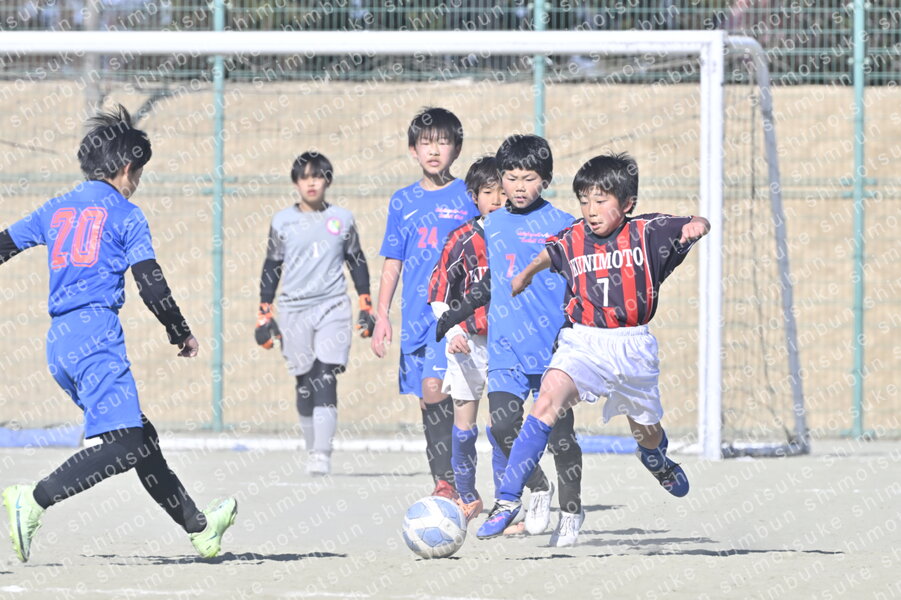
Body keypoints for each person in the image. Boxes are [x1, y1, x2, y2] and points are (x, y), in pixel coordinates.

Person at [0, 105, 237, 562]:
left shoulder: (56, 207)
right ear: (128, 167)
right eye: (140, 172)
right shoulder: (127, 214)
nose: (139, 181)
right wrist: (179, 331)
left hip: (60, 343)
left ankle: (199, 528)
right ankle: (33, 499)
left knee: (141, 437)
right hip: (96, 336)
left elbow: (2, 246)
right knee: (126, 444)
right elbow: (151, 282)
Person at [476, 152, 710, 545]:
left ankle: (654, 457)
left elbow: (695, 222)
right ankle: (508, 498)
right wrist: (525, 275)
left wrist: (698, 225)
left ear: (627, 203)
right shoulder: (572, 236)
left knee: (646, 431)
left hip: (631, 346)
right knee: (547, 400)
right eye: (584, 201)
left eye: (601, 201)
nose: (591, 210)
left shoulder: (648, 232)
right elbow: (550, 253)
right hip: (583, 340)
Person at [437, 135, 584, 544]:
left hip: (552, 350)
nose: (519, 187)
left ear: (546, 180)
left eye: (529, 178)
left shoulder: (564, 225)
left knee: (561, 438)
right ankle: (537, 486)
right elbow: (491, 279)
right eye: (512, 178)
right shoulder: (494, 224)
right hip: (506, 348)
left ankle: (572, 510)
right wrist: (454, 316)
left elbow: (579, 282)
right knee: (502, 428)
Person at [370, 107, 479, 498]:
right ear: (413, 150)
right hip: (416, 316)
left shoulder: (469, 196)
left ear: (457, 149)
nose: (434, 151)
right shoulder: (402, 201)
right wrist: (382, 315)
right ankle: (448, 481)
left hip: (454, 314)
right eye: (426, 143)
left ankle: (450, 484)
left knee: (437, 390)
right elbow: (393, 261)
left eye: (443, 142)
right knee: (427, 399)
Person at [255, 151, 374, 476]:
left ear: (327, 181)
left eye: (318, 176)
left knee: (325, 374)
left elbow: (356, 259)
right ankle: (313, 447)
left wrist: (366, 304)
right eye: (305, 177)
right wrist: (264, 312)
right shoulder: (282, 221)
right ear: (296, 182)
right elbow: (272, 265)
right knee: (304, 381)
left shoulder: (342, 218)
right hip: (293, 309)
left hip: (333, 305)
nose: (311, 183)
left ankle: (322, 453)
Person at [426, 156, 505, 522]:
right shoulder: (462, 238)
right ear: (474, 197)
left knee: (504, 425)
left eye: (503, 191)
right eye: (489, 192)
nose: (497, 199)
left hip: (508, 343)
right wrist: (454, 331)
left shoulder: (520, 237)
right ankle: (468, 496)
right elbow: (439, 293)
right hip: (468, 342)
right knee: (464, 426)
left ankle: (508, 501)